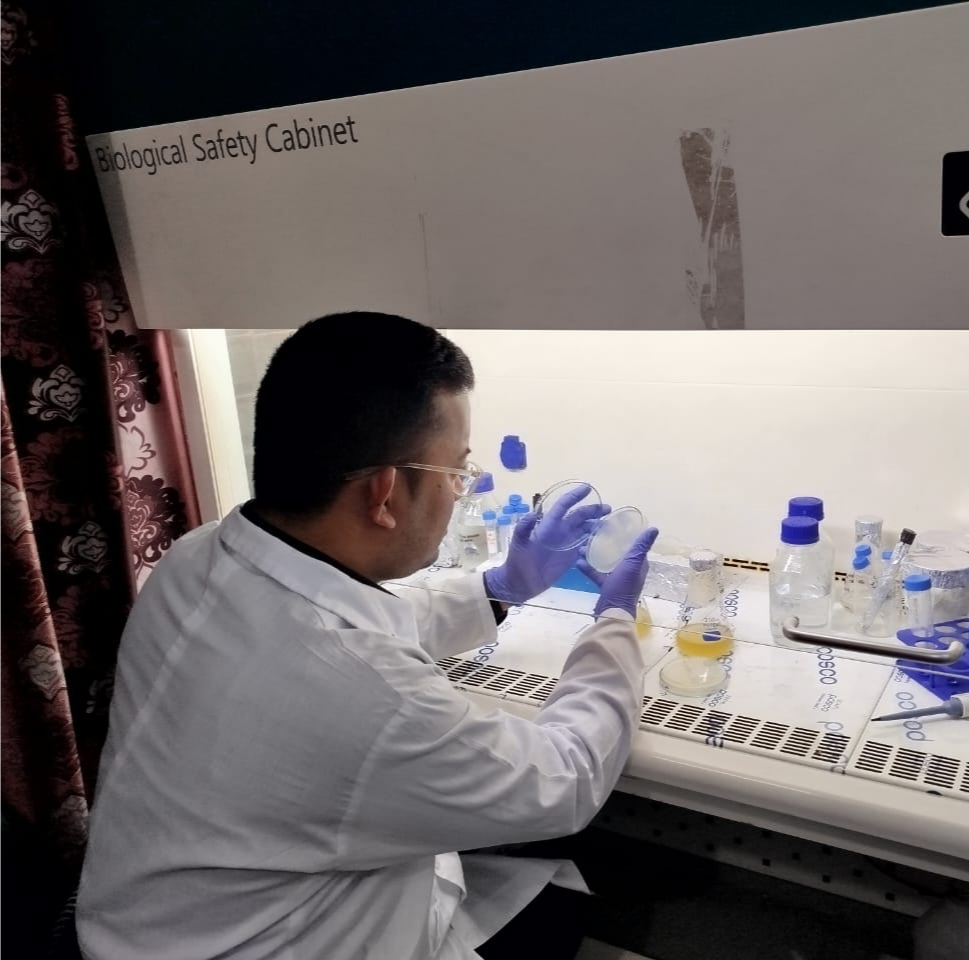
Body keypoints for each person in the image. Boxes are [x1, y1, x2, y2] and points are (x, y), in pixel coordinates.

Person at [76, 313, 658, 960]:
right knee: (564, 901)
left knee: (538, 898)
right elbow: (564, 780)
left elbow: (341, 621)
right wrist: (614, 624)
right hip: (276, 944)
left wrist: (501, 586)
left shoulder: (201, 555)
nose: (458, 491)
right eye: (456, 472)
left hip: (157, 921)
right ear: (384, 494)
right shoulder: (373, 696)